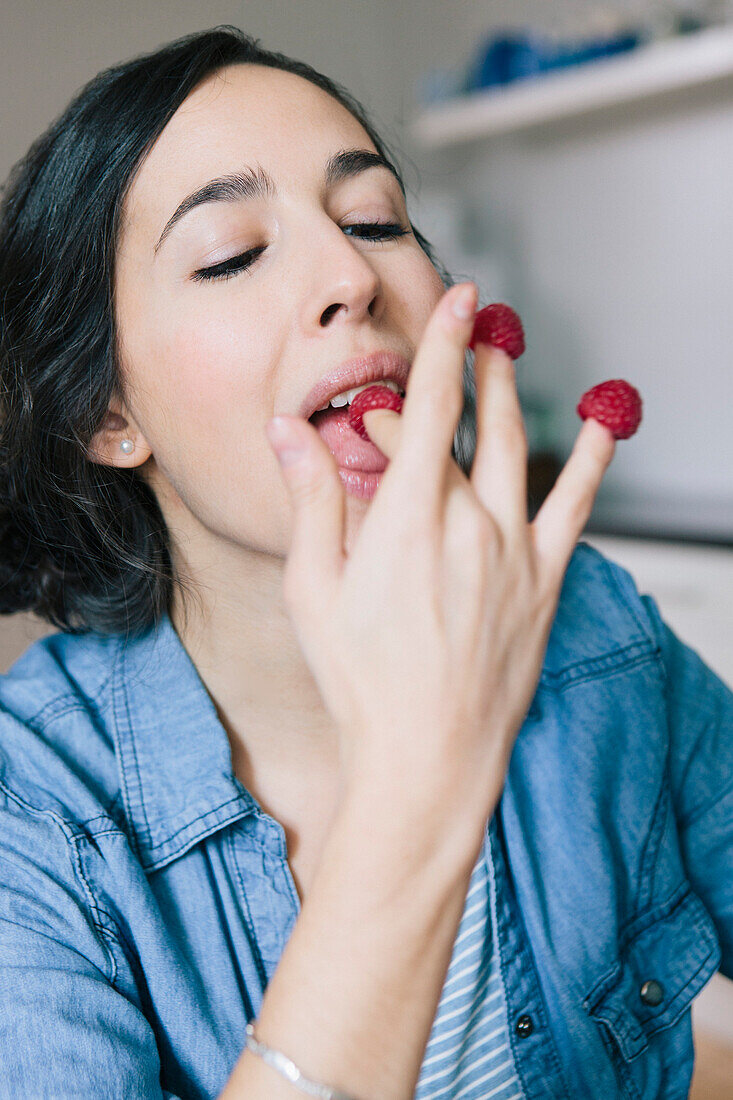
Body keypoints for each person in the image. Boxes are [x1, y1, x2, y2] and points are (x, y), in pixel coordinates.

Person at [0, 24, 730, 1100]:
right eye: (232, 252)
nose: (350, 272)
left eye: (375, 218)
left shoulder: (586, 625)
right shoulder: (35, 813)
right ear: (107, 410)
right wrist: (421, 776)